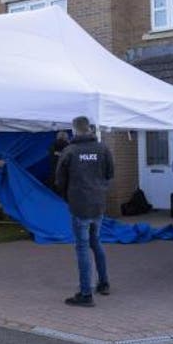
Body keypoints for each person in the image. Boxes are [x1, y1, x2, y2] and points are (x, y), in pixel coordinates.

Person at [57, 116, 115, 307]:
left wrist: (70, 197)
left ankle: (85, 293)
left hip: (79, 205)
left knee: (82, 247)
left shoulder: (70, 151)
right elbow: (109, 175)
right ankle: (104, 282)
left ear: (74, 130)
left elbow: (60, 180)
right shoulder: (103, 149)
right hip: (98, 204)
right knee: (96, 242)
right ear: (89, 129)